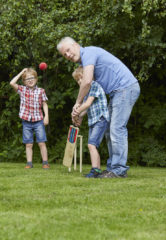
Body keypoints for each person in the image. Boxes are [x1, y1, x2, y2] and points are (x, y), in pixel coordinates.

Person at [57, 37, 140, 178]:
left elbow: (87, 82)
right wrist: (80, 114)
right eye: (65, 55)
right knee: (109, 130)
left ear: (76, 45)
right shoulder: (86, 59)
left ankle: (119, 170)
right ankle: (113, 168)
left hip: (125, 88)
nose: (68, 55)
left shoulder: (88, 53)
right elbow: (93, 97)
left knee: (116, 128)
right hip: (117, 92)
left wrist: (77, 103)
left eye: (68, 50)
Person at [72, 66, 109, 178]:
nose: (79, 81)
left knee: (91, 144)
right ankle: (97, 170)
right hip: (93, 120)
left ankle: (95, 170)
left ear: (88, 77)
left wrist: (75, 112)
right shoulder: (85, 92)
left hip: (100, 119)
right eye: (77, 80)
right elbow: (86, 109)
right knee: (93, 146)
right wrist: (80, 117)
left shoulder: (94, 85)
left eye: (81, 78)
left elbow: (87, 104)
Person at [9, 68, 50, 169]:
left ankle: (45, 163)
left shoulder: (41, 91)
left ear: (36, 79)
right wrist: (21, 72)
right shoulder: (22, 90)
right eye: (27, 79)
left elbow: (44, 104)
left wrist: (46, 116)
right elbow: (11, 83)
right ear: (24, 82)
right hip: (26, 121)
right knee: (28, 144)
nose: (30, 80)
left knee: (41, 142)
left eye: (32, 78)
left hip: (39, 120)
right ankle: (29, 163)